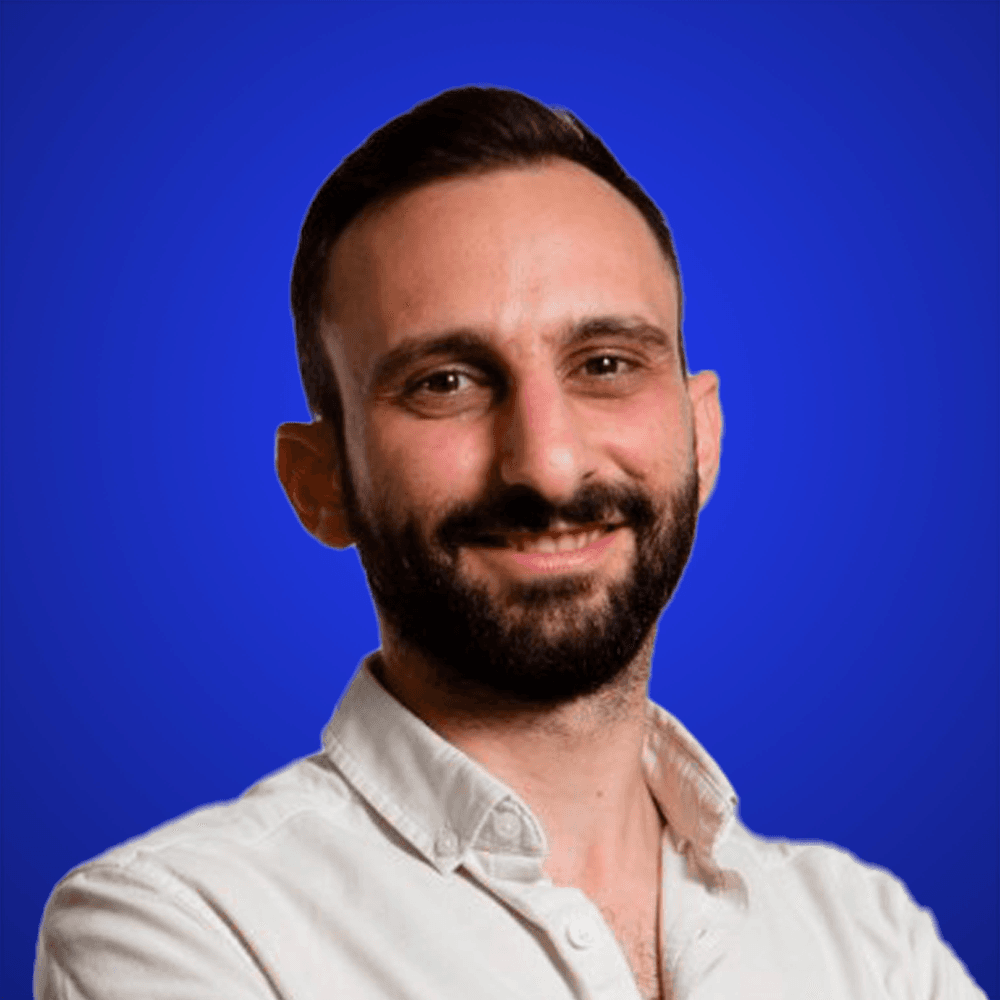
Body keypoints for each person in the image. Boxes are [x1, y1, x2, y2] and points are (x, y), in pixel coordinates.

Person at [35, 86, 985, 1000]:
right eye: (444, 382)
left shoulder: (867, 935)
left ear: (702, 437)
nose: (549, 466)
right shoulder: (180, 926)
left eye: (605, 364)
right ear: (320, 483)